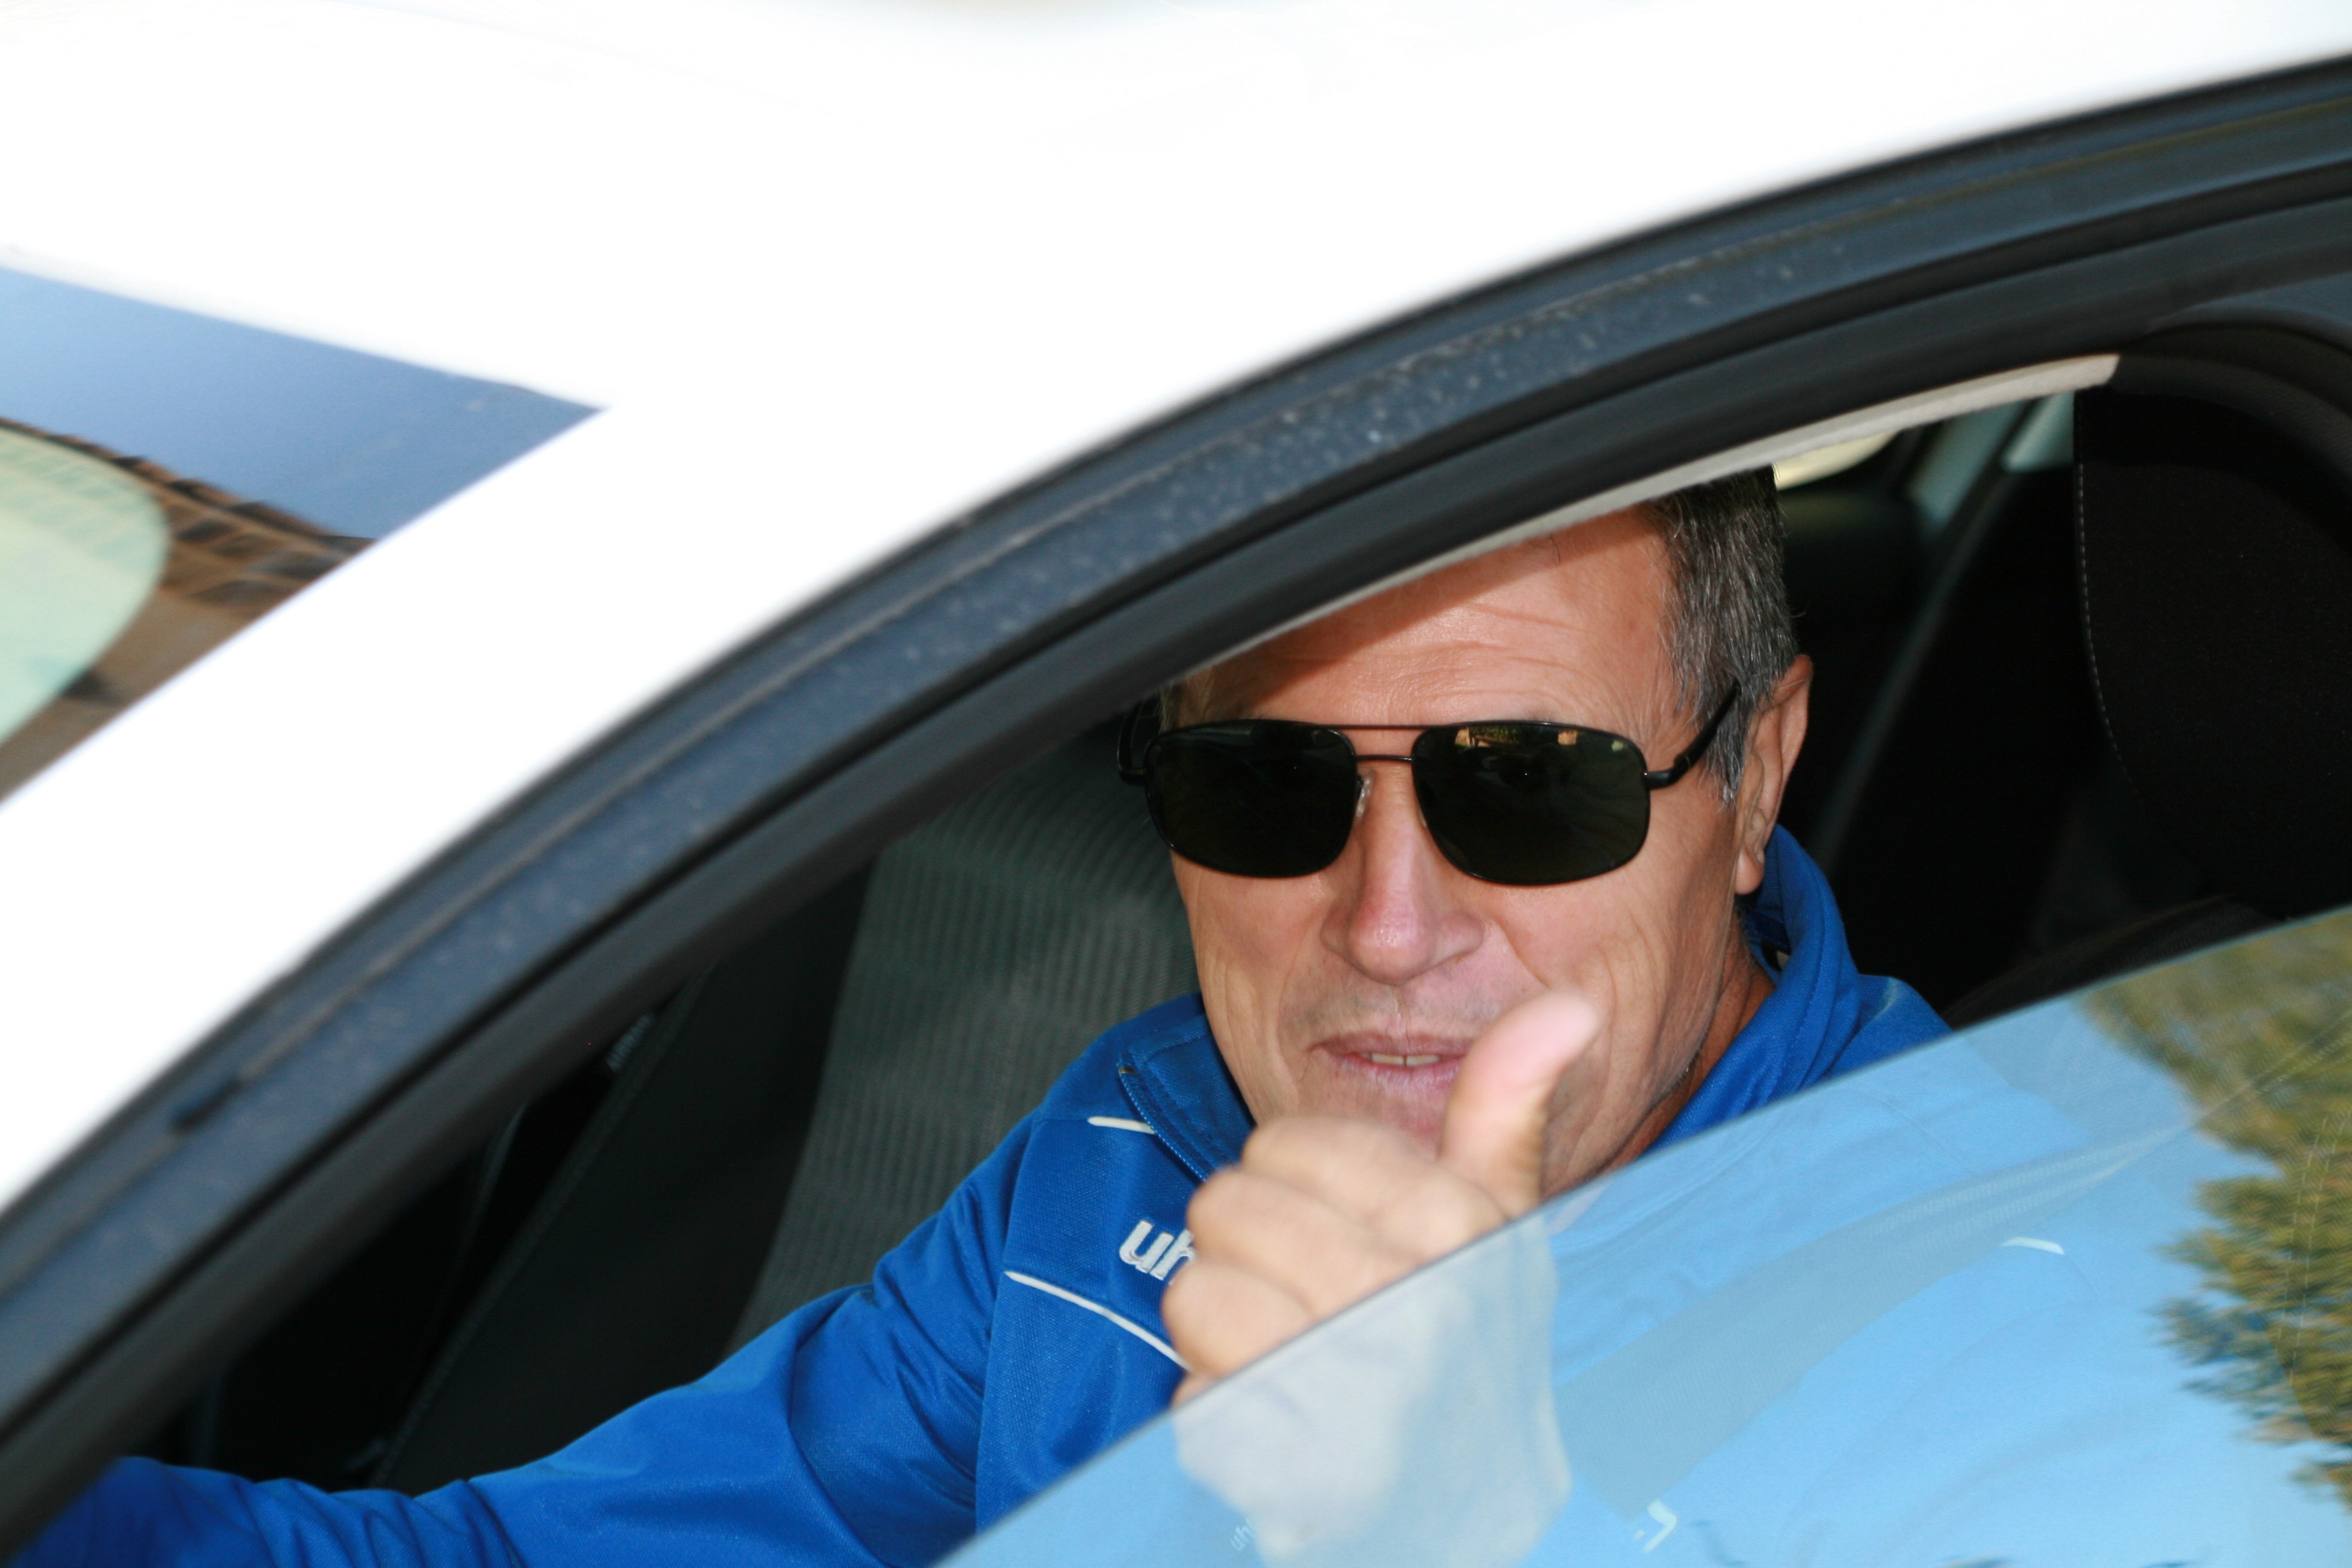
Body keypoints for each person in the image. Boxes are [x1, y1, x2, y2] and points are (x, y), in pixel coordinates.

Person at [18, 472, 1946, 1567]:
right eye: (1264, 787)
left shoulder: (2018, 1289)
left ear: (1755, 775)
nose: (1384, 924)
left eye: (1528, 788)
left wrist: (1479, 1527)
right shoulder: (1142, 1138)